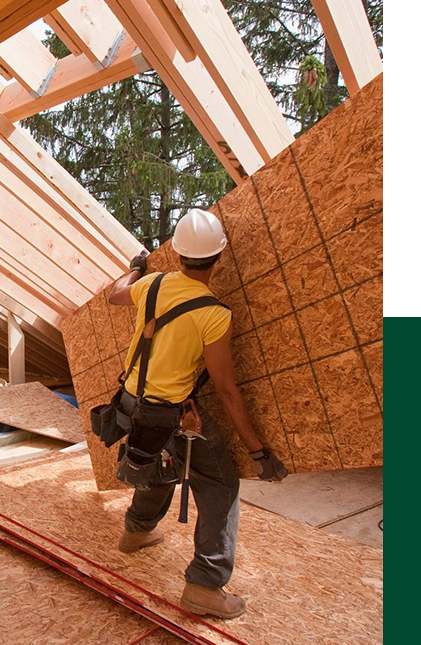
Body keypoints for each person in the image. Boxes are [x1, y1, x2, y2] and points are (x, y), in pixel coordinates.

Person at [108, 209, 288, 619]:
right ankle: (205, 585)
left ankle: (136, 531)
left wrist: (135, 269)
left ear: (176, 253)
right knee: (220, 482)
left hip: (132, 405)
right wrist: (258, 451)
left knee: (155, 458)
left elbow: (116, 294)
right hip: (170, 409)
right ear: (219, 258)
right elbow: (225, 389)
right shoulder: (214, 314)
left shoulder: (151, 285)